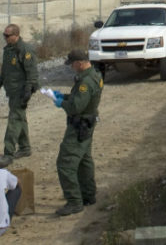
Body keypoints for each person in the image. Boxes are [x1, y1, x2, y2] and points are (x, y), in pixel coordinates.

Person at [52, 49, 104, 216]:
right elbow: (80, 99)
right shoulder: (93, 76)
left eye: (73, 65)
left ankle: (74, 201)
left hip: (79, 126)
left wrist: (62, 103)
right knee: (84, 160)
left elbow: (76, 107)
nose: (72, 68)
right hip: (87, 124)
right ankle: (88, 195)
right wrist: (65, 97)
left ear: (80, 63)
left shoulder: (85, 82)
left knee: (65, 163)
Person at [0, 24, 38, 168]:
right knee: (20, 118)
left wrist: (28, 90)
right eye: (4, 35)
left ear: (15, 35)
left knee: (13, 121)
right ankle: (25, 147)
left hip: (21, 91)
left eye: (7, 36)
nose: (5, 38)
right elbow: (5, 71)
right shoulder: (8, 50)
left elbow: (32, 72)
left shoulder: (25, 50)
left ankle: (8, 153)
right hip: (12, 91)